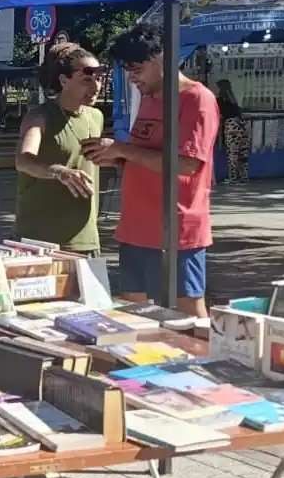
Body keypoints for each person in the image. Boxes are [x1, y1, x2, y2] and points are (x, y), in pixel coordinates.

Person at [81, 24, 220, 318]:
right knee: (134, 312)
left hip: (175, 229)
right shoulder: (149, 97)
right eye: (127, 71)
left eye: (136, 69)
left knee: (188, 313)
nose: (132, 78)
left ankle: (198, 363)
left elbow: (187, 164)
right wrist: (116, 157)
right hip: (135, 227)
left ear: (161, 59)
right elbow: (149, 155)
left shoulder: (197, 98)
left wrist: (124, 150)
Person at [15, 43, 106, 254]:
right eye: (86, 80)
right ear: (64, 81)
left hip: (85, 238)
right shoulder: (40, 116)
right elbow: (24, 160)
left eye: (99, 79)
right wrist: (60, 172)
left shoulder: (96, 117)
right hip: (40, 240)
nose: (96, 87)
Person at [216, 79, 250, 183]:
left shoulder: (220, 100)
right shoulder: (233, 99)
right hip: (243, 124)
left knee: (232, 152)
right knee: (242, 153)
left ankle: (233, 177)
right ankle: (244, 176)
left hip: (232, 125)